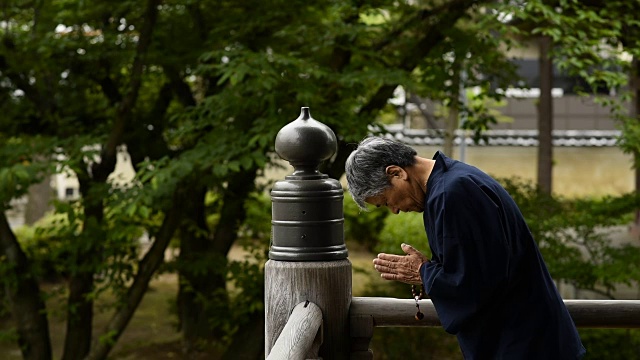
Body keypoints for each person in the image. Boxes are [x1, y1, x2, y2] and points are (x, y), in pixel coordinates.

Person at [345, 136, 586, 359]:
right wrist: (428, 271)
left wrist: (422, 272)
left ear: (396, 173)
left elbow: (475, 283)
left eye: (386, 201)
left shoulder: (453, 194)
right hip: (529, 336)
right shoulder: (451, 181)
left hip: (524, 342)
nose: (394, 210)